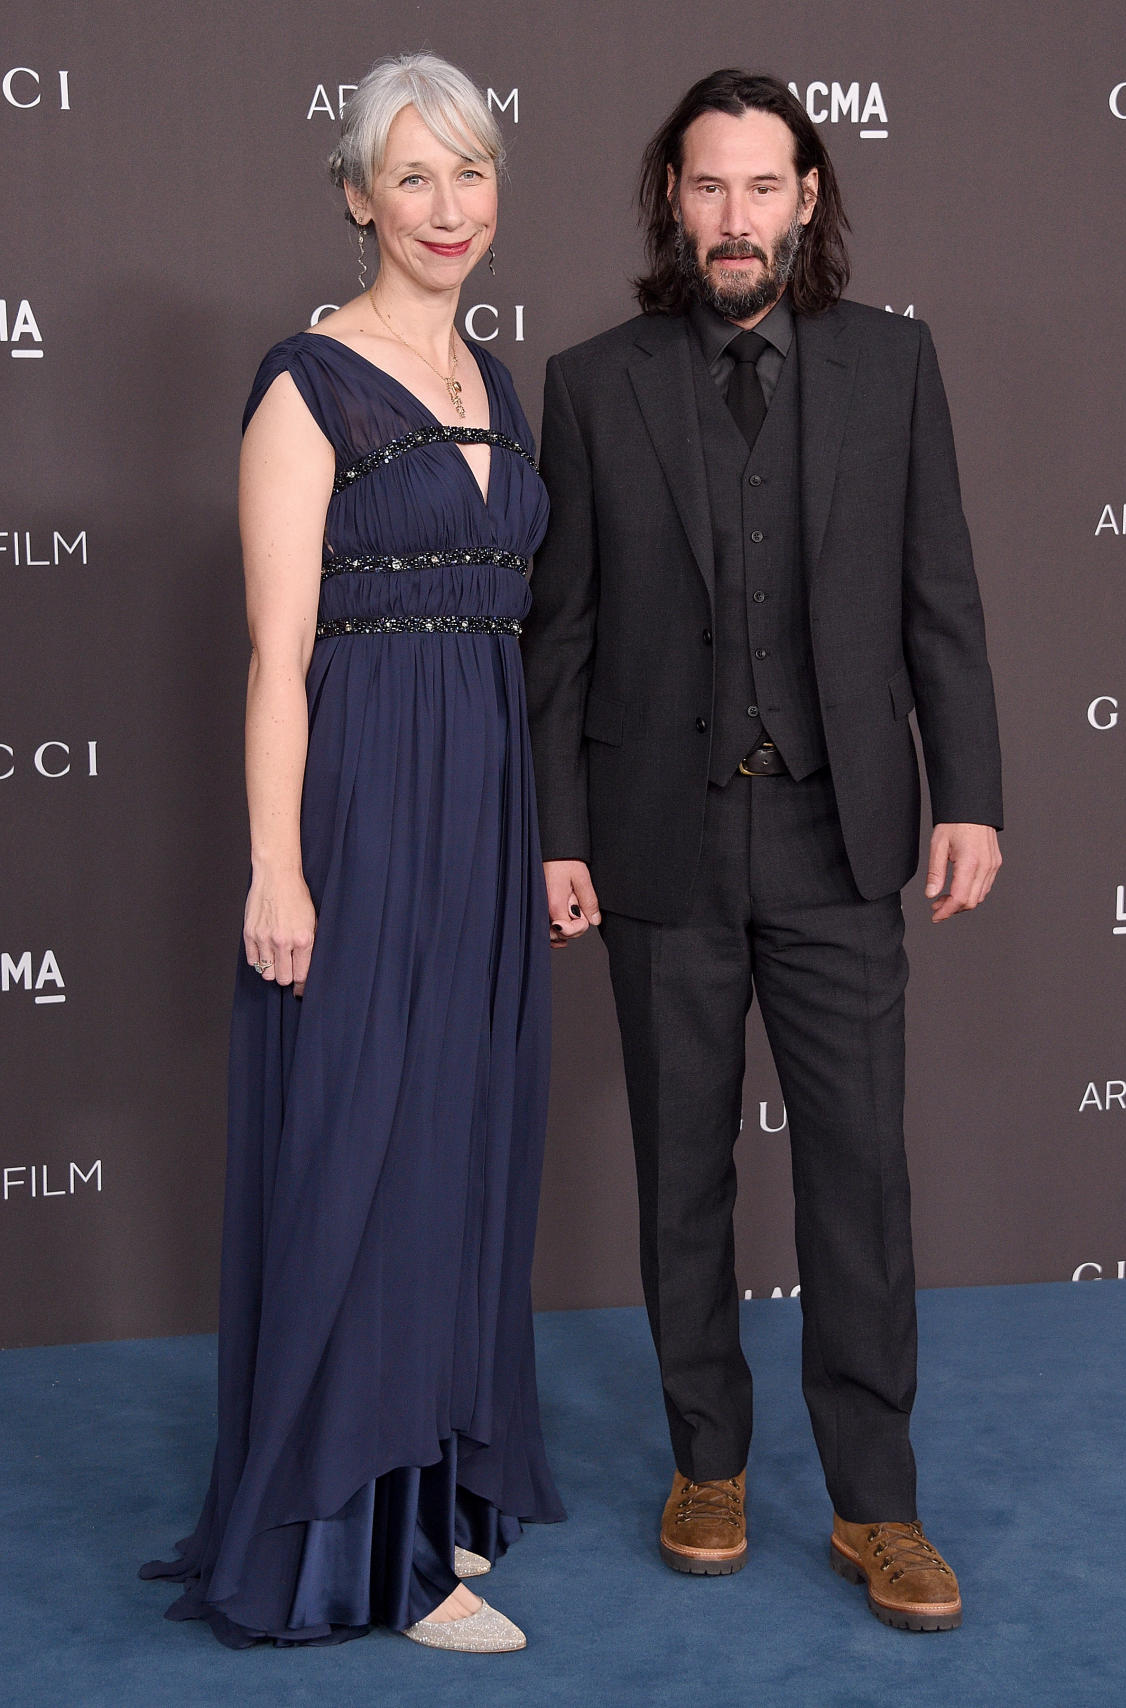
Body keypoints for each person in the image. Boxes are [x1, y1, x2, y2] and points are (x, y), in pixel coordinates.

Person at [522, 68, 1002, 1633]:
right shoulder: (590, 384)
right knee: (679, 1181)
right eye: (707, 188)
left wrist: (969, 792)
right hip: (659, 841)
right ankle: (706, 1464)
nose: (736, 218)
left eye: (763, 186)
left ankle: (878, 1507)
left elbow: (941, 597)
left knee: (858, 1186)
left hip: (840, 835)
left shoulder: (895, 366)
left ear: (808, 200)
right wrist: (559, 832)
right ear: (674, 199)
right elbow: (563, 636)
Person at [141, 52, 563, 1654]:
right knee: (362, 1164)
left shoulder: (490, 382)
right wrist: (276, 867)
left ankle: (432, 1497)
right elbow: (276, 654)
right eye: (411, 177)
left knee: (456, 1154)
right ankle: (355, 1549)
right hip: (363, 809)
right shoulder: (301, 385)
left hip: (486, 798)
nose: (447, 209)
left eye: (469, 174)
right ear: (353, 196)